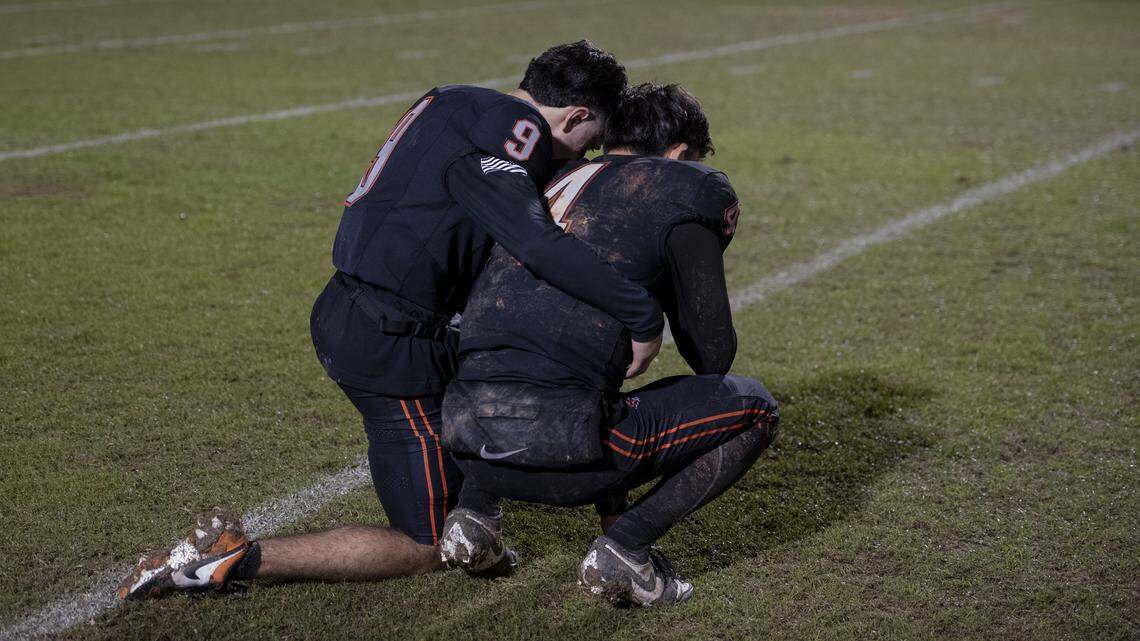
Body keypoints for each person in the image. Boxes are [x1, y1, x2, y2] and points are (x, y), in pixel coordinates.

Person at [118, 42, 666, 600]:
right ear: (575, 115)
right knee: (429, 542)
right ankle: (233, 560)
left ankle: (495, 522)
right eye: (588, 138)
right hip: (393, 340)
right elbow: (534, 241)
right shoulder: (516, 126)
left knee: (510, 394)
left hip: (352, 308)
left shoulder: (454, 98)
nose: (582, 155)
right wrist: (640, 313)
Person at [438, 83, 779, 607]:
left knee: (563, 362)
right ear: (680, 154)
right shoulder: (681, 189)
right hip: (569, 452)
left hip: (465, 438)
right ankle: (626, 548)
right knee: (754, 406)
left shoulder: (551, 177)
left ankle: (475, 517)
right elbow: (713, 357)